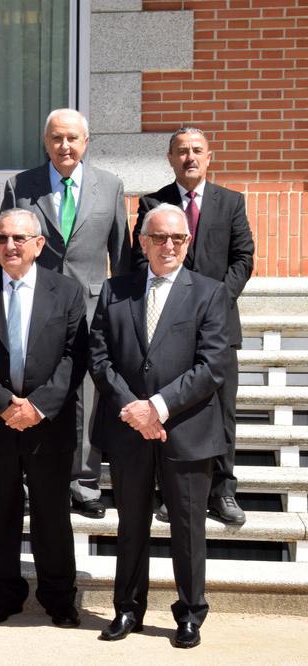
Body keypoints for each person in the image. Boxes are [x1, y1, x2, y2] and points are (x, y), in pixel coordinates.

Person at [90, 204, 230, 649]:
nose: (169, 245)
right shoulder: (115, 291)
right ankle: (127, 609)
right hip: (128, 430)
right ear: (143, 242)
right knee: (131, 525)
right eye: (159, 237)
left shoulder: (209, 292)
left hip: (186, 430)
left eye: (178, 238)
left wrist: (157, 407)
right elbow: (99, 357)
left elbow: (212, 366)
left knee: (187, 529)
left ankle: (189, 614)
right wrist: (132, 408)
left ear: (188, 242)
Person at [0, 209, 87, 628]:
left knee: (52, 514)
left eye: (18, 238)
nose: (9, 246)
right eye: (1, 238)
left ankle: (59, 597)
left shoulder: (66, 291)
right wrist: (3, 404)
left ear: (38, 244)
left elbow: (75, 356)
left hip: (48, 425)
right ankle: (4, 593)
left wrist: (37, 407)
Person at [0, 108, 131, 519]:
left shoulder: (111, 186)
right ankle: (27, 477)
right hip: (35, 305)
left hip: (91, 307)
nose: (65, 145)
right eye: (56, 138)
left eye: (72, 138)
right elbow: (5, 246)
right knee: (33, 384)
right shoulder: (21, 186)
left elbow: (122, 255)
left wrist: (122, 310)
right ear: (46, 142)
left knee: (87, 393)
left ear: (86, 142)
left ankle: (84, 481)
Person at [132, 127, 254, 526]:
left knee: (222, 411)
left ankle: (223, 491)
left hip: (219, 328)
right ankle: (172, 492)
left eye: (197, 150)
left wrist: (214, 301)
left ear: (209, 156)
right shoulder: (153, 203)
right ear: (170, 158)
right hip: (167, 328)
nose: (190, 157)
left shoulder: (231, 202)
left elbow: (243, 258)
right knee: (174, 409)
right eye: (182, 151)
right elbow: (139, 259)